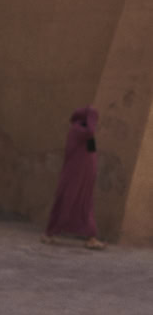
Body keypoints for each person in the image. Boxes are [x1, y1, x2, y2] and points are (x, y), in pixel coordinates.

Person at [42, 106, 105, 249]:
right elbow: (90, 131)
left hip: (85, 175)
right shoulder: (77, 130)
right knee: (66, 200)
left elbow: (92, 153)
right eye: (93, 118)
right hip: (73, 173)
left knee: (86, 204)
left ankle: (91, 237)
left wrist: (92, 172)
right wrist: (92, 117)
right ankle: (49, 233)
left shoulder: (88, 135)